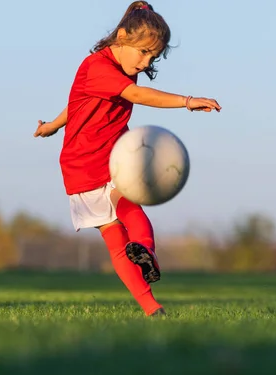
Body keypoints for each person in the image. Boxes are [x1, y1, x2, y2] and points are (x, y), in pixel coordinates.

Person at [34, 1, 221, 317]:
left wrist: (53, 125)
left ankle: (151, 297)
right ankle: (147, 263)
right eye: (144, 52)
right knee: (118, 229)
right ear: (122, 37)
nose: (146, 61)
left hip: (112, 153)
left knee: (123, 218)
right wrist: (187, 101)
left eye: (153, 56)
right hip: (86, 163)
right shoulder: (98, 67)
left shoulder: (119, 66)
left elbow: (78, 103)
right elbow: (136, 96)